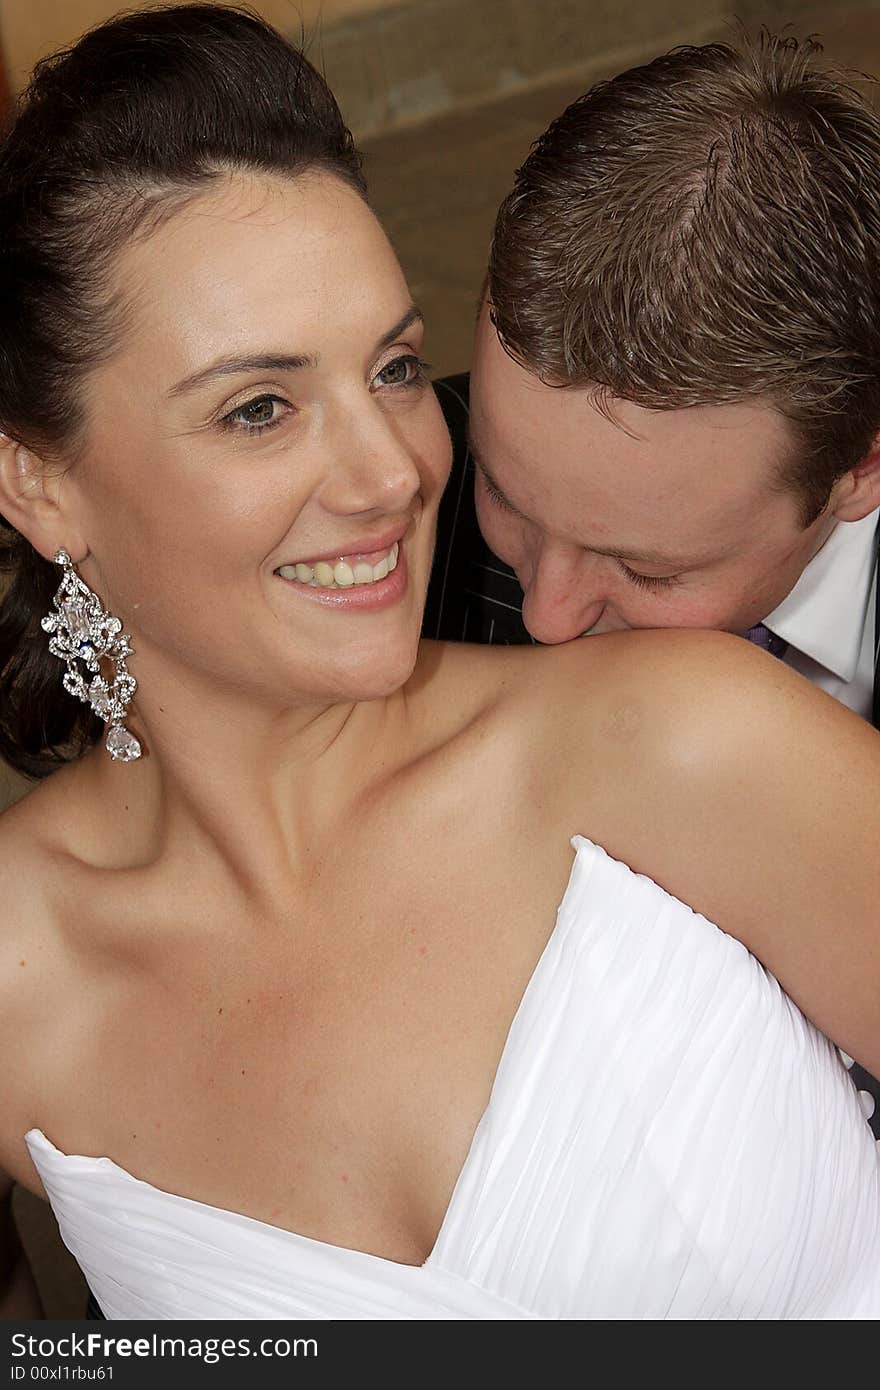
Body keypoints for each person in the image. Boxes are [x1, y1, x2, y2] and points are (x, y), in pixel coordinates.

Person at [0, 7, 878, 1323]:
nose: (397, 469)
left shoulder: (687, 736)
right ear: (38, 480)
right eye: (260, 406)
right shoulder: (24, 974)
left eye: (395, 369)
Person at [422, 33, 880, 1134]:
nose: (545, 613)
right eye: (508, 500)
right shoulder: (395, 510)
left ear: (859, 464)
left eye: (646, 567)